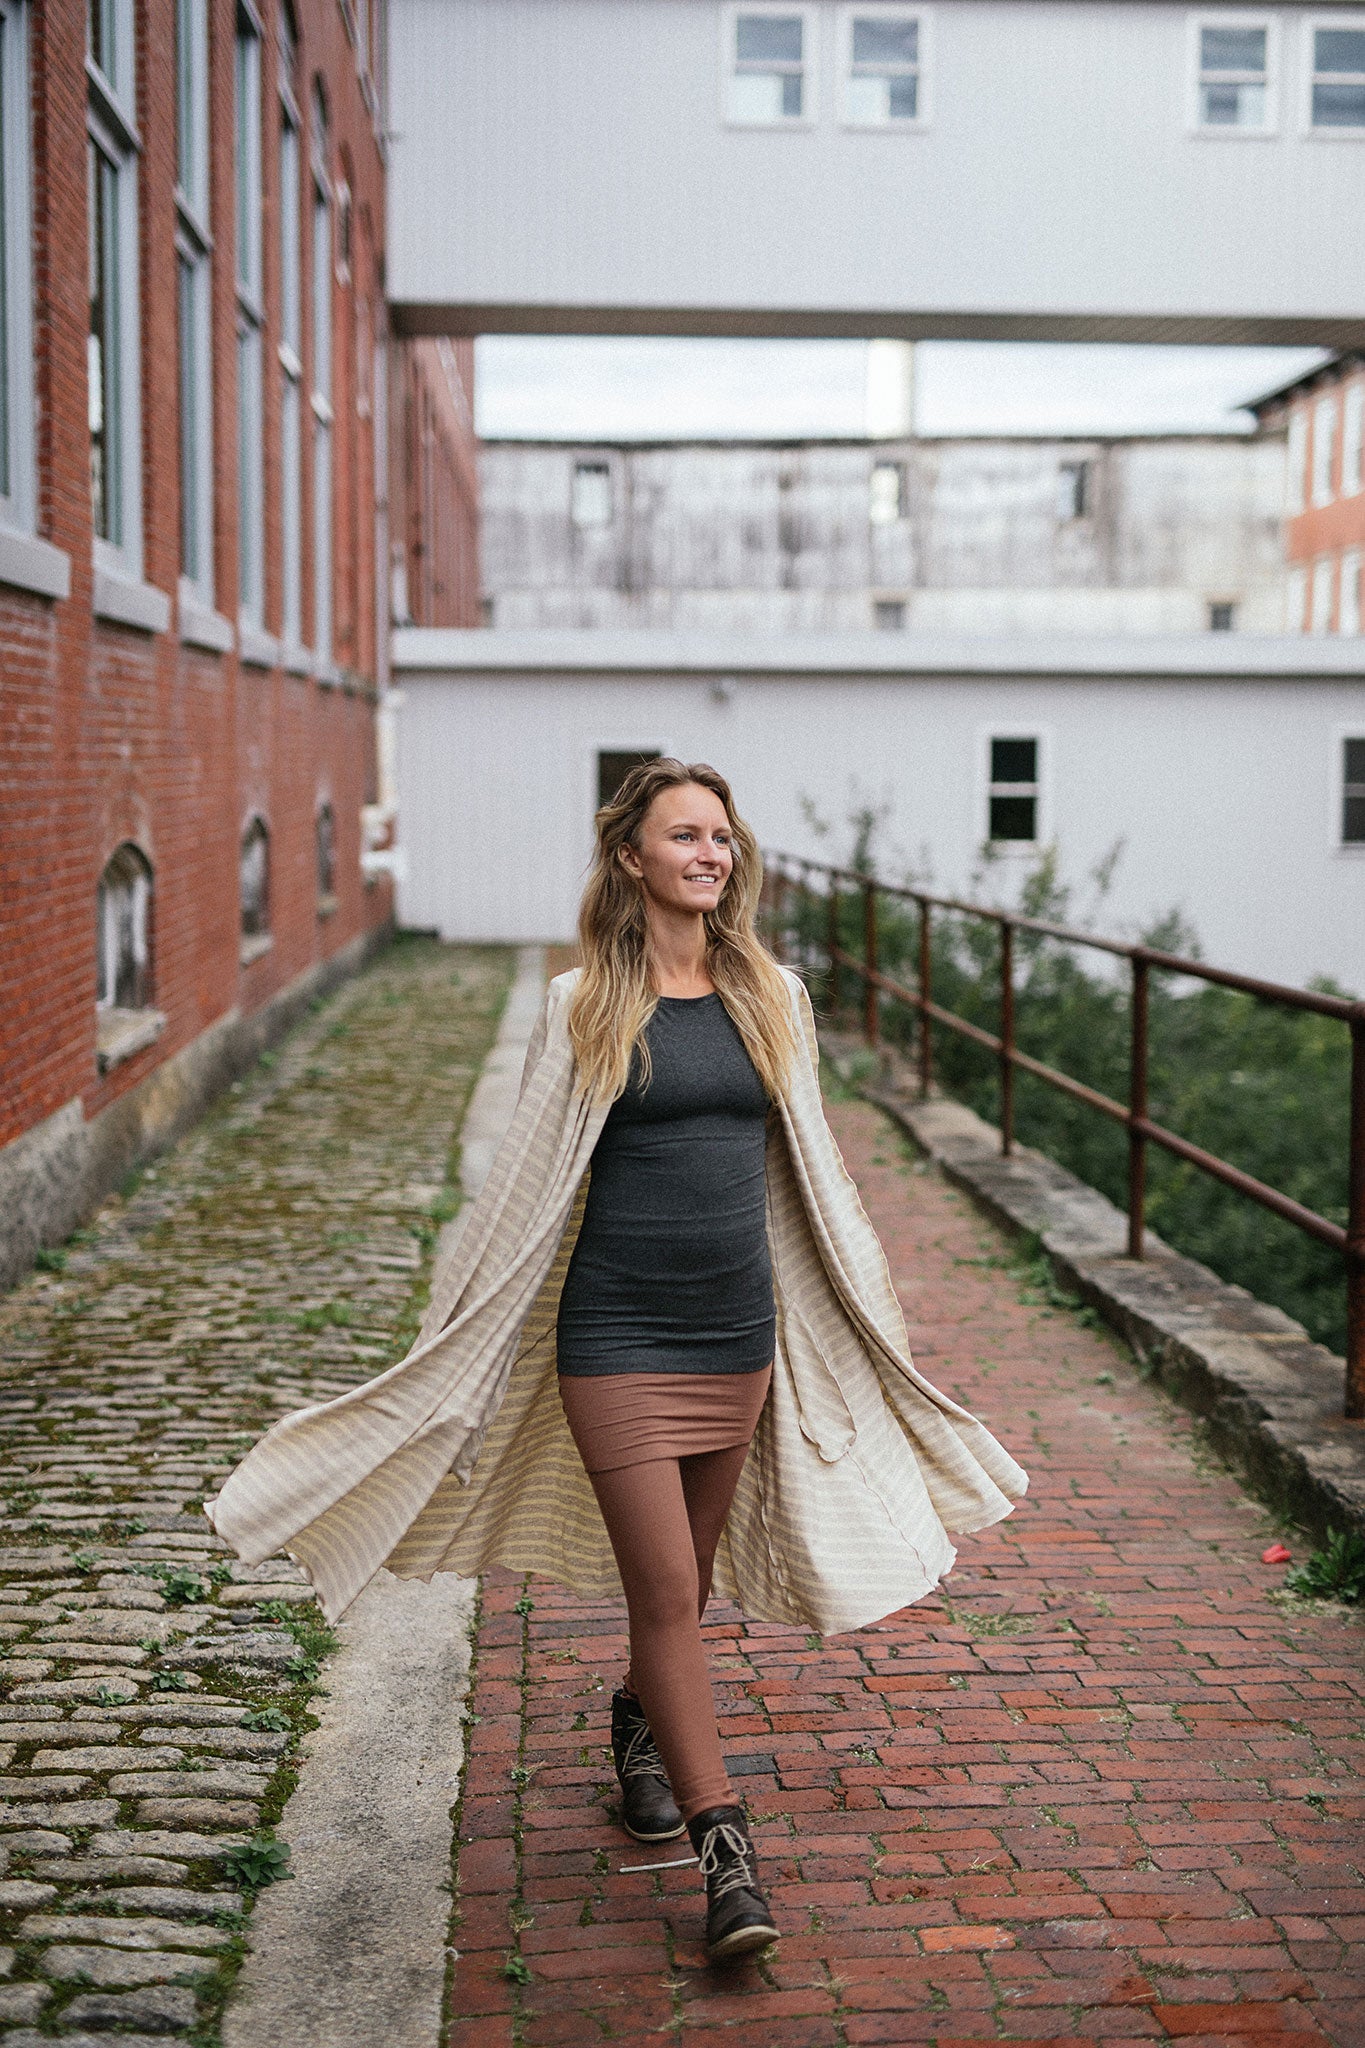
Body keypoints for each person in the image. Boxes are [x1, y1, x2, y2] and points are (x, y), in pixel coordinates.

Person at [206, 759, 1027, 1969]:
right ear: (632, 857)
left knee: (682, 1598)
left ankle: (638, 1725)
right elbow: (529, 1186)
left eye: (723, 836)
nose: (713, 853)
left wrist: (858, 1316)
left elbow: (811, 1178)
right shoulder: (582, 1002)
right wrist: (453, 1337)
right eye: (686, 835)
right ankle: (725, 1853)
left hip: (737, 1338)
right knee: (663, 1600)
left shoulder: (772, 994)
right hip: (617, 1341)